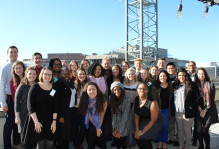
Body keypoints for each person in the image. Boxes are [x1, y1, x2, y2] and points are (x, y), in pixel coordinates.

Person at [24, 67, 58, 149]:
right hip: (37, 120)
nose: (48, 76)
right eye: (45, 74)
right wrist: (36, 122)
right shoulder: (35, 87)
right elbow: (30, 105)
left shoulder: (54, 88)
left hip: (50, 121)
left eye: (50, 74)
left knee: (50, 143)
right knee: (40, 144)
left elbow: (55, 106)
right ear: (41, 75)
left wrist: (54, 122)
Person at [0, 45, 22, 149]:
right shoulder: (4, 68)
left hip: (20, 100)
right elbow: (1, 87)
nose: (13, 54)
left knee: (17, 123)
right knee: (8, 125)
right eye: (11, 52)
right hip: (9, 99)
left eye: (15, 52)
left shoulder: (22, 66)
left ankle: (17, 144)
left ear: (18, 53)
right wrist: (3, 103)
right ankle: (7, 147)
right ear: (8, 54)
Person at [171, 68, 197, 149]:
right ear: (177, 76)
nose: (181, 76)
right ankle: (181, 145)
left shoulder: (191, 85)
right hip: (178, 112)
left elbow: (195, 99)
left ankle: (187, 146)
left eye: (183, 75)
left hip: (188, 112)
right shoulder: (175, 85)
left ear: (186, 75)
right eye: (179, 75)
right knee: (180, 130)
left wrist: (191, 108)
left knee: (187, 130)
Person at [78, 82, 108, 149]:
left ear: (97, 90)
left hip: (102, 120)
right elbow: (89, 115)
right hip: (91, 121)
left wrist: (98, 127)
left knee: (101, 140)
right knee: (91, 139)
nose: (92, 91)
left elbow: (102, 115)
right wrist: (97, 127)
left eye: (93, 89)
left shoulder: (103, 99)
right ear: (86, 91)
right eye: (89, 89)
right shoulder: (85, 100)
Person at [134, 83, 164, 149]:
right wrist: (137, 129)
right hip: (145, 119)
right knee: (136, 136)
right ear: (137, 90)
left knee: (144, 137)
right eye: (140, 88)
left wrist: (142, 132)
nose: (142, 90)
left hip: (156, 121)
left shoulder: (153, 102)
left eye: (144, 89)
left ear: (147, 90)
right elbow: (136, 114)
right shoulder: (136, 99)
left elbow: (153, 120)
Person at [14, 66, 38, 148]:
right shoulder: (22, 86)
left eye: (34, 74)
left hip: (35, 116)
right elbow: (16, 102)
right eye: (30, 74)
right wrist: (17, 117)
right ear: (26, 74)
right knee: (25, 139)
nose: (32, 76)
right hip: (24, 116)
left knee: (35, 138)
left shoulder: (38, 86)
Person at [196, 68, 218, 149]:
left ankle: (207, 146)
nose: (201, 75)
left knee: (204, 130)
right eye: (199, 74)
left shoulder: (210, 84)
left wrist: (204, 110)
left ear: (205, 75)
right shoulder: (196, 85)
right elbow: (195, 99)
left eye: (202, 74)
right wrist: (199, 109)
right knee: (198, 130)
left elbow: (211, 100)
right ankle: (201, 145)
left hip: (209, 110)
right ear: (197, 75)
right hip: (199, 109)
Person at [56, 68, 76, 149]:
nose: (66, 76)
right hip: (63, 112)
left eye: (68, 74)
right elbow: (56, 101)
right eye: (64, 74)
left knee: (68, 134)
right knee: (62, 135)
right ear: (60, 75)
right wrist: (60, 116)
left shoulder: (71, 83)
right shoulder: (58, 84)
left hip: (71, 111)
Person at [152, 70, 173, 149]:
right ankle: (160, 142)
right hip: (158, 109)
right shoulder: (155, 87)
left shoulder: (170, 85)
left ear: (167, 77)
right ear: (158, 77)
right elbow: (154, 99)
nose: (162, 77)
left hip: (167, 109)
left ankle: (164, 142)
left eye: (164, 76)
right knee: (159, 126)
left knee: (165, 126)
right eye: (161, 76)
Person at [109, 81, 133, 149]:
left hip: (126, 121)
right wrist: (114, 129)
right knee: (116, 139)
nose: (117, 91)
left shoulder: (127, 99)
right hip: (115, 121)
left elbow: (125, 116)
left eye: (119, 89)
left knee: (122, 139)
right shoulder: (111, 98)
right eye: (115, 89)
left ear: (122, 90)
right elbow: (113, 114)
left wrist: (120, 131)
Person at [73, 68, 88, 149]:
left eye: (83, 74)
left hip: (85, 109)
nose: (81, 76)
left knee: (83, 128)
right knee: (76, 127)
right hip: (75, 109)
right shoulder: (74, 85)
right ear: (77, 76)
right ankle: (76, 144)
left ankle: (80, 143)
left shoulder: (87, 84)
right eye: (80, 74)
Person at [166, 62, 179, 146]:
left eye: (172, 68)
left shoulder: (178, 78)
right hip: (168, 104)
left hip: (178, 103)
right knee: (170, 123)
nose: (171, 70)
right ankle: (171, 138)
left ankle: (178, 139)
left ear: (175, 69)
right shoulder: (165, 78)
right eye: (169, 68)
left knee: (178, 123)